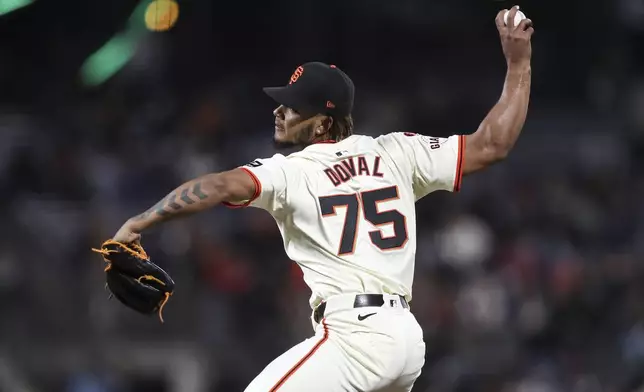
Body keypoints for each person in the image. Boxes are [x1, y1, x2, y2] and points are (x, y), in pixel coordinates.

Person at [111, 6, 533, 392]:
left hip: (355, 337)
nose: (280, 111)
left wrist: (140, 222)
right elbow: (491, 145)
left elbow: (219, 186)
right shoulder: (397, 152)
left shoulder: (292, 171)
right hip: (404, 338)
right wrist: (519, 64)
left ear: (323, 123)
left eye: (294, 107)